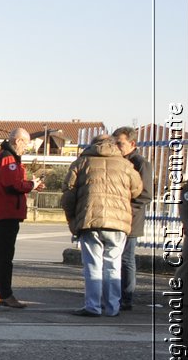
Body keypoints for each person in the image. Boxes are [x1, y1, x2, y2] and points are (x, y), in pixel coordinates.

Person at [60, 131, 141, 317]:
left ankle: (93, 306)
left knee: (92, 265)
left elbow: (68, 194)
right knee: (113, 265)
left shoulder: (81, 163)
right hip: (117, 222)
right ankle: (113, 307)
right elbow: (137, 190)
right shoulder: (126, 164)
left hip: (90, 219)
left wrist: (72, 219)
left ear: (91, 145)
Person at [0, 128, 36, 309]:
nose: (26, 148)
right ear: (18, 141)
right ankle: (6, 294)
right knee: (5, 256)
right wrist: (32, 185)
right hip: (6, 211)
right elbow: (13, 184)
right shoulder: (8, 158)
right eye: (26, 143)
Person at [112, 127, 153, 311]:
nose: (117, 147)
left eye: (120, 143)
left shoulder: (141, 163)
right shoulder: (116, 161)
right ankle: (115, 294)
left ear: (132, 143)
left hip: (130, 219)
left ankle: (127, 297)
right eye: (115, 143)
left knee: (127, 259)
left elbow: (145, 195)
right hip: (115, 217)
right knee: (114, 258)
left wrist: (126, 210)